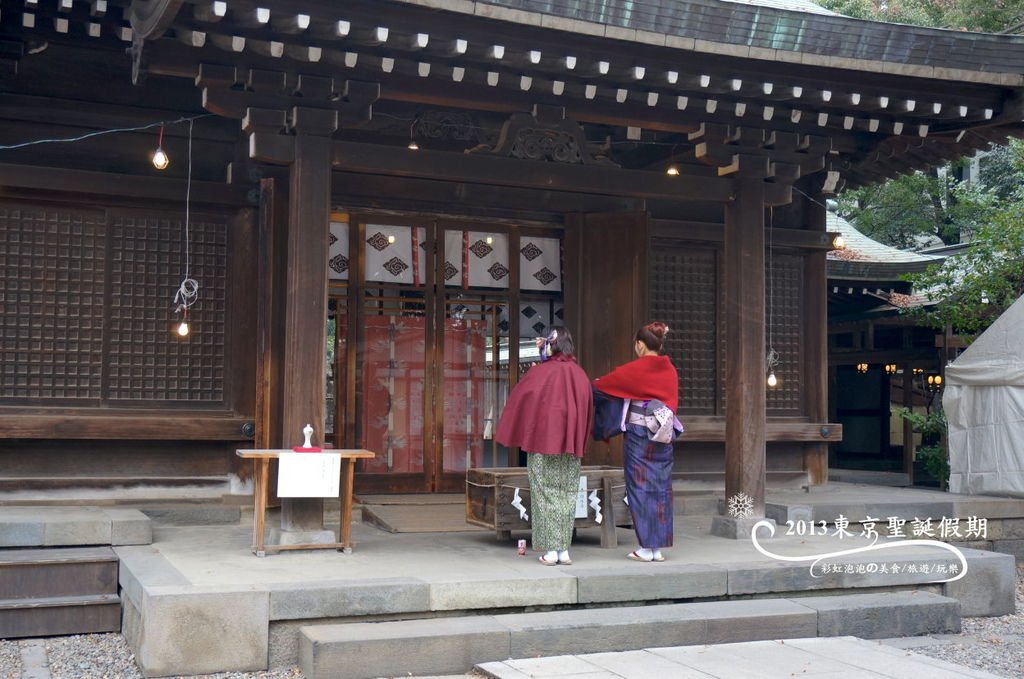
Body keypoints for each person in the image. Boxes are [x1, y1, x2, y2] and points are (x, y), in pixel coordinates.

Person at [496, 327, 594, 566]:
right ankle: (563, 550)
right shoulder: (580, 374)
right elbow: (588, 407)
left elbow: (522, 399)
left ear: (551, 345)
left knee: (545, 493)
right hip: (570, 445)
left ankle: (551, 550)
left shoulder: (540, 373)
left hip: (543, 442)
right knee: (568, 493)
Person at [593, 322, 679, 563]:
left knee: (639, 487)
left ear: (640, 345)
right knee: (661, 489)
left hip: (639, 435)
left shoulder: (635, 369)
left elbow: (601, 386)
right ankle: (657, 548)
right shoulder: (670, 370)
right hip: (662, 435)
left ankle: (645, 546)